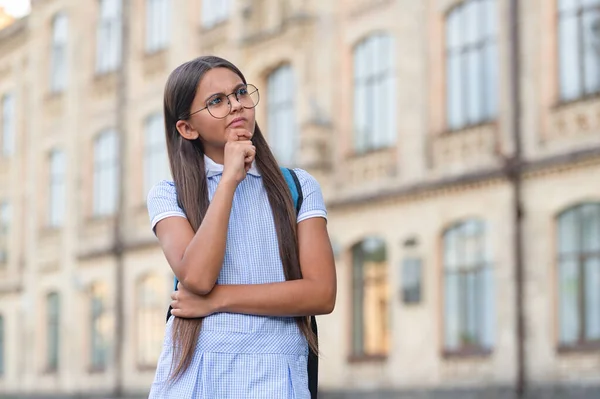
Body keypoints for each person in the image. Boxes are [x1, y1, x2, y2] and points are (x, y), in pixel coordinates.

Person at [146, 55, 337, 398]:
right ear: (187, 128)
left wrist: (215, 301)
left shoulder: (298, 187)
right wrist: (230, 181)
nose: (235, 106)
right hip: (198, 374)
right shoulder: (169, 194)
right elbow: (198, 276)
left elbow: (321, 294)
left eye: (240, 93)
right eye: (216, 101)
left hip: (277, 374)